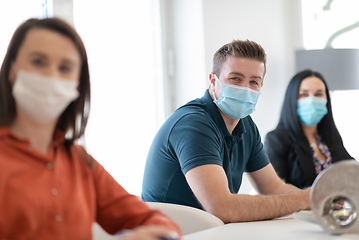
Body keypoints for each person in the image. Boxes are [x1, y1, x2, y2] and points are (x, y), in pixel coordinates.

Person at [0, 18, 180, 240]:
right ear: (10, 69)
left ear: (77, 84)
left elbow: (154, 221)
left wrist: (161, 233)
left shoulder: (79, 161)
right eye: (38, 62)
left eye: (65, 68)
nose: (51, 76)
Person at [142, 39, 310, 224]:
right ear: (213, 81)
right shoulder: (193, 124)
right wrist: (304, 199)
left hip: (209, 231)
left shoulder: (246, 126)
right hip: (169, 233)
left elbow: (273, 186)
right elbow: (222, 208)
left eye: (254, 82)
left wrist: (321, 200)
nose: (245, 89)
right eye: (235, 79)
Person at [264, 70, 353, 189]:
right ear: (292, 100)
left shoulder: (330, 137)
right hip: (300, 208)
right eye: (304, 95)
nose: (312, 100)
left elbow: (352, 171)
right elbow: (275, 190)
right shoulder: (276, 140)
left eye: (318, 94)